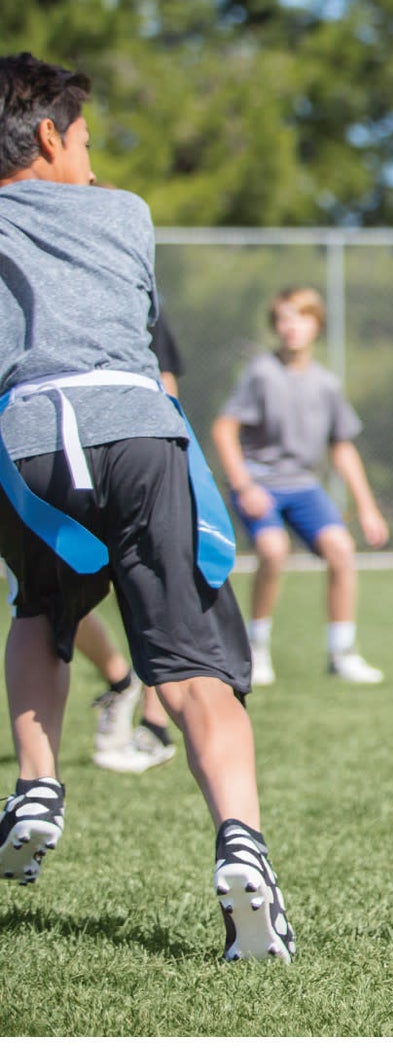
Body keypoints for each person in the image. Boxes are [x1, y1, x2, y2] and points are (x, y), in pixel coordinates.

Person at [0, 52, 293, 959]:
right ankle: (240, 845)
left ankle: (39, 784)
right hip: (133, 424)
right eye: (84, 139)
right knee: (196, 658)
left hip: (26, 437)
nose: (92, 157)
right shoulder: (125, 213)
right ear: (50, 135)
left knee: (42, 609)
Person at [210, 286, 389, 685]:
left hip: (303, 486)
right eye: (283, 319)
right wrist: (243, 485)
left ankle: (341, 652)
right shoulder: (261, 373)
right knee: (274, 551)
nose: (291, 327)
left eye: (301, 317)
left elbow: (341, 447)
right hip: (261, 483)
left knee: (342, 550)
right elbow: (224, 429)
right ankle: (255, 649)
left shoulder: (326, 384)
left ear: (317, 324)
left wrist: (367, 506)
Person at [75, 308, 185, 772]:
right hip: (56, 455)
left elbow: (167, 386)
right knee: (54, 600)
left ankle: (154, 725)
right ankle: (121, 682)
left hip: (133, 457)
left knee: (143, 590)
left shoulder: (141, 304)